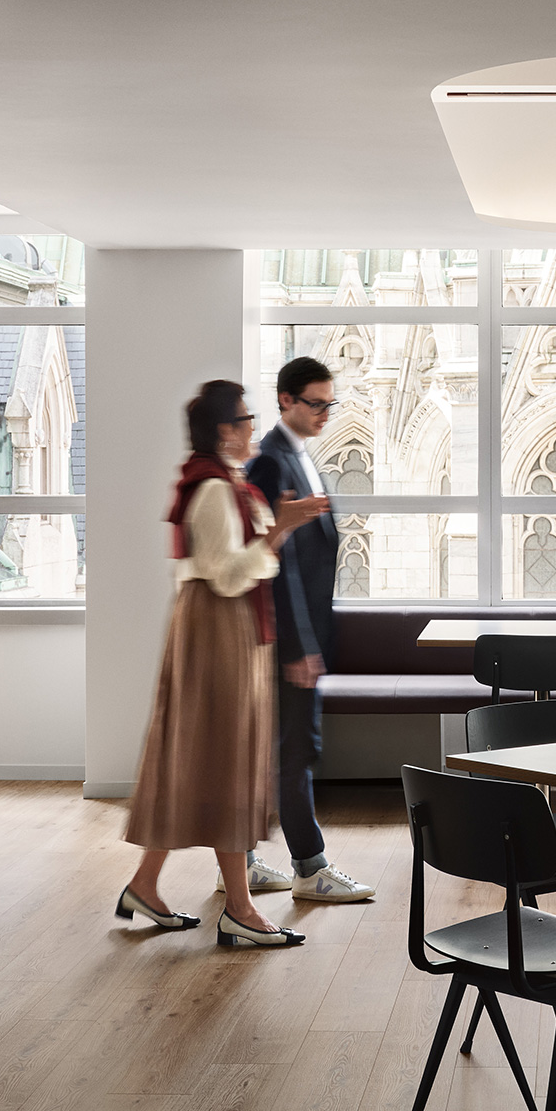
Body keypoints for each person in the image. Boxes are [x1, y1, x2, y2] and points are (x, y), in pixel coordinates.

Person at [117, 380, 329, 947]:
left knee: (205, 758)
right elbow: (228, 574)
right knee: (227, 757)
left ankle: (147, 886)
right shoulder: (213, 490)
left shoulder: (226, 483)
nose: (252, 427)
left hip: (226, 629)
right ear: (222, 429)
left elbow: (242, 562)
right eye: (245, 418)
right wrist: (280, 530)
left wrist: (280, 528)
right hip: (218, 628)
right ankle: (239, 908)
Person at [243, 357, 376, 902]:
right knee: (294, 749)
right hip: (284, 640)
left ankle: (246, 860)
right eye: (316, 404)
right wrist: (298, 645)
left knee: (276, 750)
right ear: (285, 401)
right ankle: (309, 866)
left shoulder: (299, 455)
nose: (326, 413)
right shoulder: (271, 464)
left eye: (330, 404)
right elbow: (280, 565)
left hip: (302, 634)